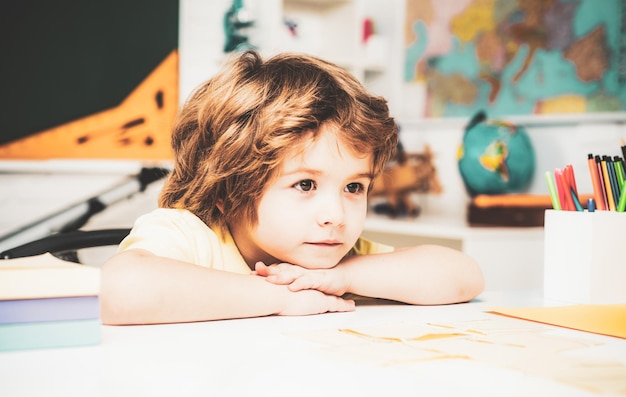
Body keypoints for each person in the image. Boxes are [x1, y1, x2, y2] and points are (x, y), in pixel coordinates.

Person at [101, 50, 484, 325]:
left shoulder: (338, 261)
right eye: (305, 184)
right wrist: (279, 297)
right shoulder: (188, 236)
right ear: (226, 187)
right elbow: (116, 291)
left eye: (353, 187)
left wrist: (345, 278)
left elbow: (465, 276)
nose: (335, 216)